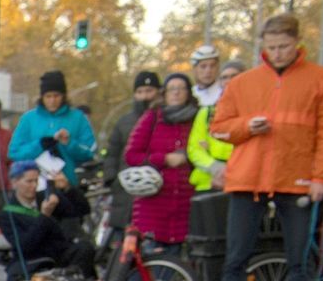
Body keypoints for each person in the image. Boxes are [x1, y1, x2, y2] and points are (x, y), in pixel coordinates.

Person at [207, 13, 323, 281]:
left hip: (296, 179)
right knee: (236, 255)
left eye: (284, 46)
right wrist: (245, 128)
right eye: (272, 47)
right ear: (262, 46)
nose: (278, 52)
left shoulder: (321, 80)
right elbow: (219, 128)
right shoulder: (242, 83)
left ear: (297, 43)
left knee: (300, 256)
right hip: (248, 177)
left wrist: (320, 177)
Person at [123, 72, 199, 249]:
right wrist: (164, 159)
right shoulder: (152, 118)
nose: (176, 93)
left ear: (189, 93)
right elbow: (131, 155)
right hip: (153, 205)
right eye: (172, 89)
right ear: (164, 93)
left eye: (181, 89)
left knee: (178, 265)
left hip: (185, 206)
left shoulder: (197, 119)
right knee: (150, 262)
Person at [0, 162, 95, 276]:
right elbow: (24, 245)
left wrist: (68, 189)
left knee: (85, 248)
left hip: (59, 255)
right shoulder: (7, 214)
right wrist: (44, 216)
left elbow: (82, 210)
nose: (34, 185)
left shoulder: (46, 198)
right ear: (15, 183)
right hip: (33, 260)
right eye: (29, 181)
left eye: (36, 181)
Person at [102, 71, 163, 234]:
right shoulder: (124, 122)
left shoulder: (166, 119)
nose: (145, 96)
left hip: (157, 188)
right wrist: (112, 179)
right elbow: (112, 153)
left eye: (149, 91)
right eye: (140, 91)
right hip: (125, 190)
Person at [7, 70, 97, 171]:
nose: (52, 101)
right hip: (37, 182)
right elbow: (14, 153)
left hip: (71, 180)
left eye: (56, 96)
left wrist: (69, 143)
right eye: (48, 96)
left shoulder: (78, 118)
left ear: (63, 96)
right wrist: (40, 145)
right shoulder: (28, 119)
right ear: (42, 97)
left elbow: (90, 152)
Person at [188, 61, 245, 191]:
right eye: (224, 77)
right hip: (208, 184)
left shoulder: (256, 112)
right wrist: (216, 168)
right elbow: (194, 149)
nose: (229, 81)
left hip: (243, 184)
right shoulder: (207, 112)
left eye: (234, 76)